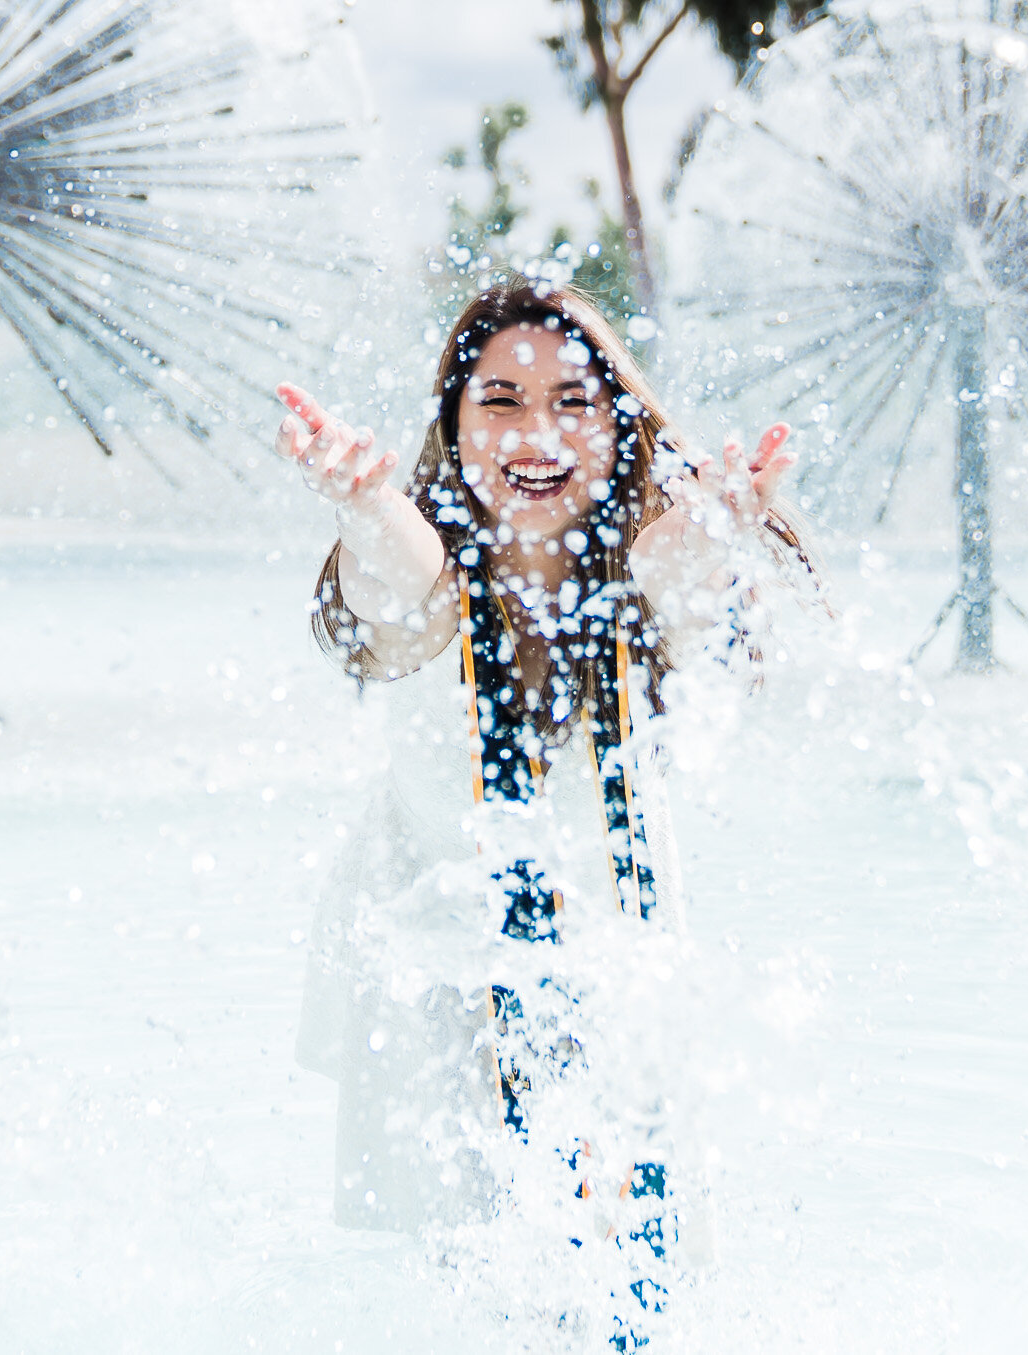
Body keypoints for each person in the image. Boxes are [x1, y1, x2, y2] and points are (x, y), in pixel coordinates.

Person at [278, 279, 810, 1342]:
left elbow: (671, 574)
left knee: (629, 1302)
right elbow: (396, 581)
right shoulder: (432, 562)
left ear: (619, 421)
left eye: (574, 400)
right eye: (501, 400)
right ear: (452, 423)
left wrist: (711, 533)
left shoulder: (641, 563)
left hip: (611, 974)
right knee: (494, 1299)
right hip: (444, 983)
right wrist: (359, 502)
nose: (537, 432)